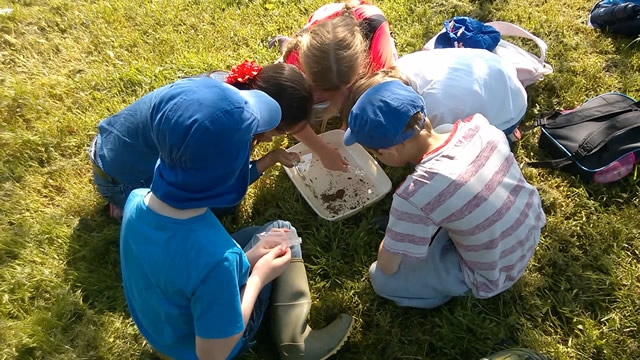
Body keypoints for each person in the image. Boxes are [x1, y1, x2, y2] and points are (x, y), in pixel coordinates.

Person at [119, 77, 353, 359]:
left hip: (163, 331)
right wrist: (257, 277)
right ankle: (297, 343)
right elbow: (213, 354)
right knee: (283, 233)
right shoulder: (217, 261)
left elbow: (179, 266)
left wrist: (248, 257)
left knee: (266, 239)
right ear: (230, 179)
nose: (262, 139)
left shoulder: (136, 200)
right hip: (197, 348)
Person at [342, 80, 546, 308]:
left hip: (496, 270)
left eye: (376, 154)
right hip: (529, 226)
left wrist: (394, 236)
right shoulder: (479, 126)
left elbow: (387, 265)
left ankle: (450, 290)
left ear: (389, 151)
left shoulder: (415, 194)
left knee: (380, 279)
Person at [89, 62, 312, 217]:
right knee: (223, 206)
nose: (274, 139)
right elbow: (223, 187)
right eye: (279, 133)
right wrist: (271, 159)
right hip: (118, 179)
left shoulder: (224, 85)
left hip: (107, 144)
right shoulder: (225, 130)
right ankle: (131, 204)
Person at [272, 0, 398, 172]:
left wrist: (349, 124)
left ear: (361, 64)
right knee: (301, 106)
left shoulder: (375, 36)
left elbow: (385, 87)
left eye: (342, 89)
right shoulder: (296, 60)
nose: (335, 99)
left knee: (373, 95)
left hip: (363, 23)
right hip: (322, 26)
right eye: (325, 90)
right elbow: (289, 116)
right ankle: (286, 44)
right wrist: (321, 149)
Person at [341, 48, 528, 137]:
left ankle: (508, 131)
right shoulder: (400, 69)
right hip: (497, 70)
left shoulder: (434, 113)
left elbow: (437, 146)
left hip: (510, 111)